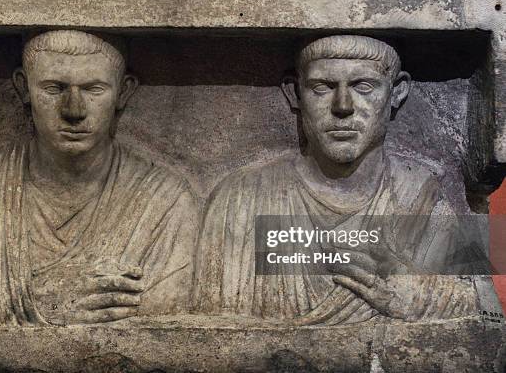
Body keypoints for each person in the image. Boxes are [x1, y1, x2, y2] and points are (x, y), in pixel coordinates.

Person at [0, 30, 198, 326]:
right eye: (54, 88)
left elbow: (165, 333)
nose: (74, 110)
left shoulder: (165, 202)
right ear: (23, 87)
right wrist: (36, 301)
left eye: (94, 89)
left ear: (124, 92)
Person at [193, 35, 478, 324]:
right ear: (295, 93)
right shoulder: (239, 201)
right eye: (322, 87)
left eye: (363, 86)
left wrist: (423, 296)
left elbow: (490, 308)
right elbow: (198, 338)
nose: (343, 106)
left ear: (396, 93)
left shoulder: (423, 196)